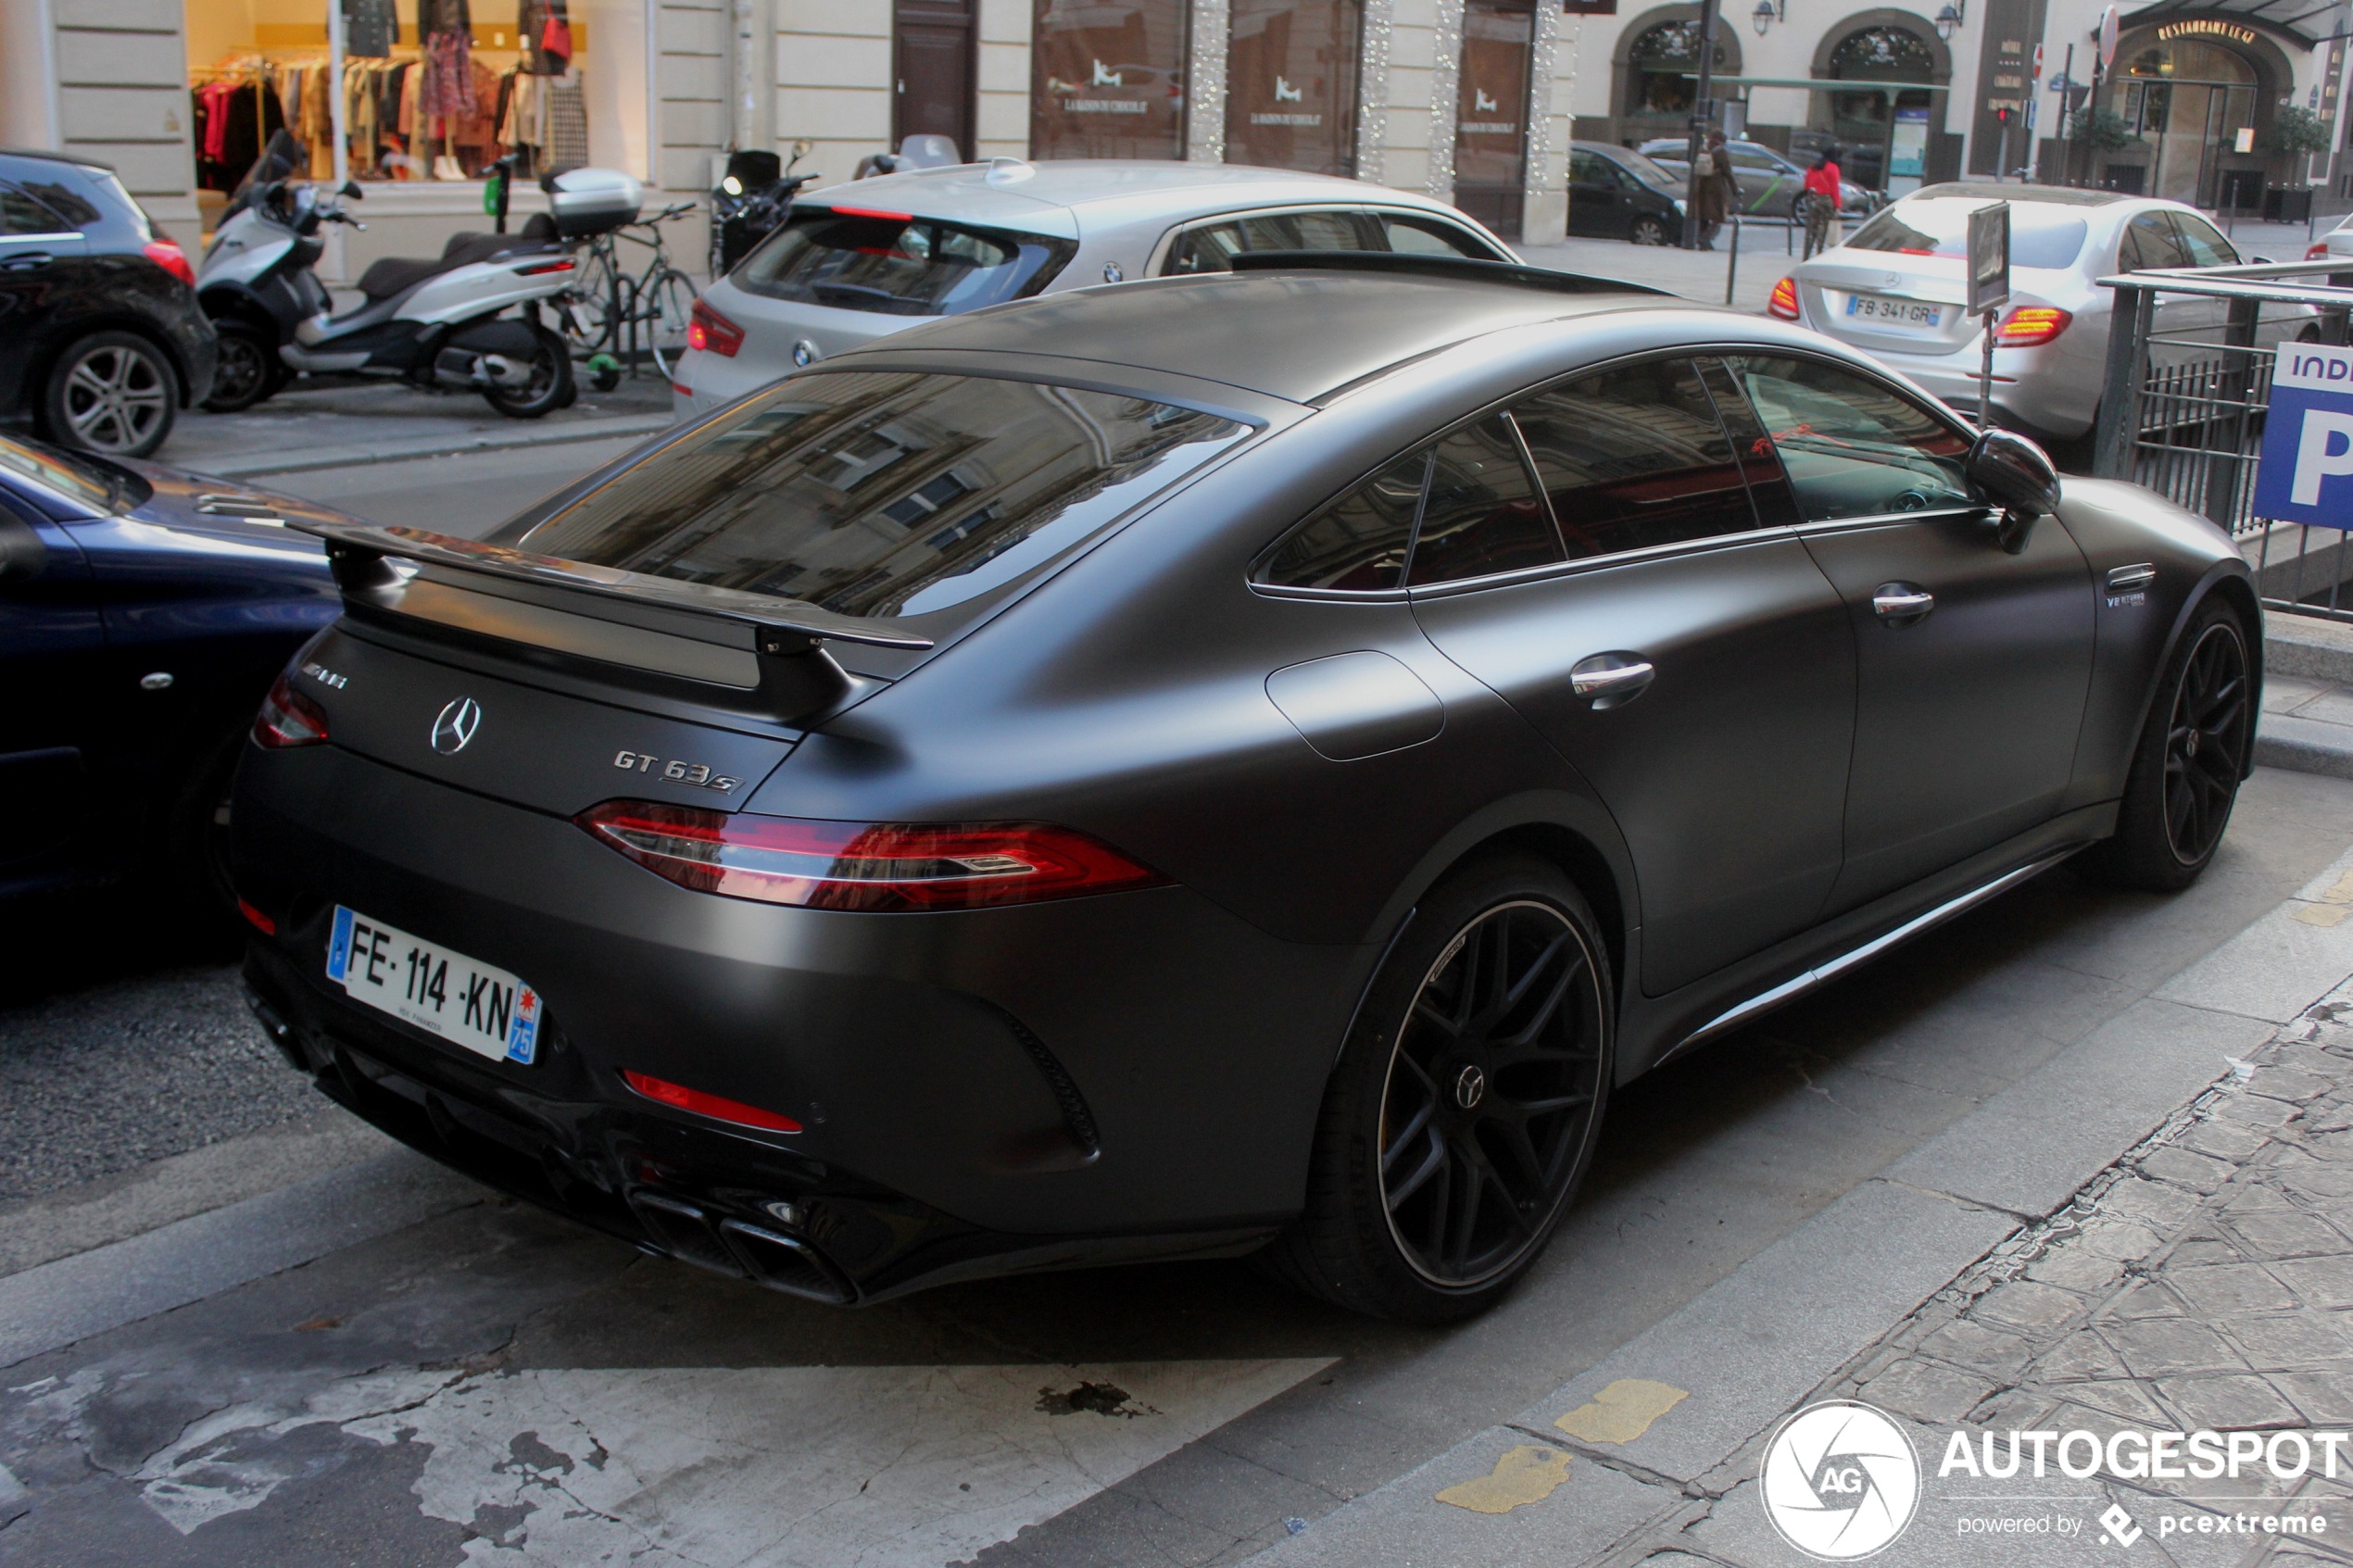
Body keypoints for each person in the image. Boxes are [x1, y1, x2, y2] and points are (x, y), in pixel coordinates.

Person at [1694, 132, 1741, 251]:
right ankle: (1706, 238)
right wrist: (1735, 189)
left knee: (1703, 215)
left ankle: (1702, 240)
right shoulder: (1720, 152)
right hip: (1716, 188)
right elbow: (1728, 172)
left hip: (1702, 186)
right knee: (1718, 216)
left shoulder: (1703, 149)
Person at [1801, 146, 1844, 260]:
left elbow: (1806, 186)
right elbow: (1835, 188)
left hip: (1813, 200)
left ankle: (1806, 255)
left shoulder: (1812, 168)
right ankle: (1819, 253)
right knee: (1823, 227)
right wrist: (1837, 205)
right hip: (1826, 200)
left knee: (1811, 228)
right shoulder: (1833, 168)